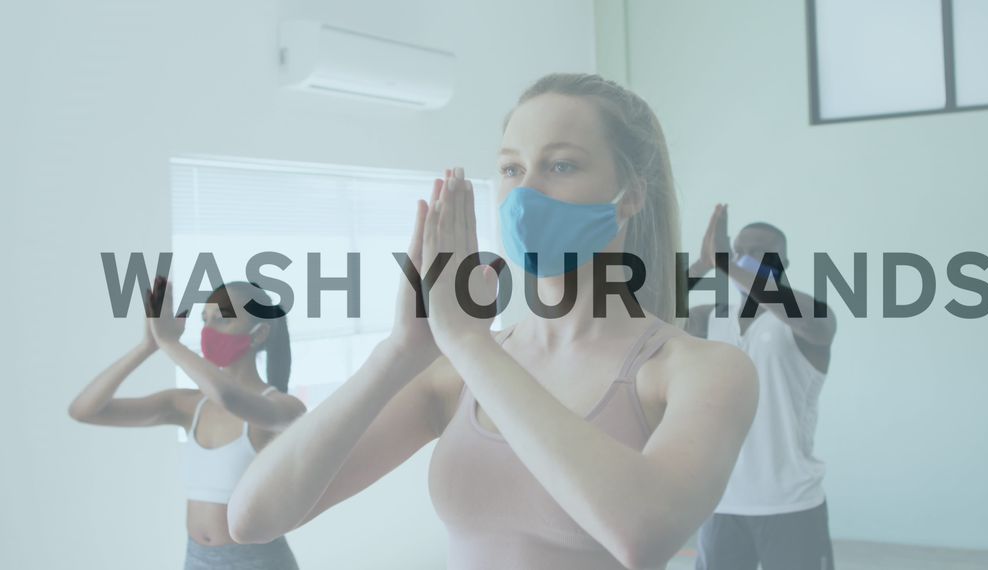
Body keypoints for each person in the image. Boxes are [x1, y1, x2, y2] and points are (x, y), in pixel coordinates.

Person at [227, 72, 759, 570]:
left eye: (561, 166)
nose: (526, 194)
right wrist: (399, 352)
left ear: (632, 194)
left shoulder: (701, 370)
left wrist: (469, 343)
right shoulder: (456, 374)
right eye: (511, 169)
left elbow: (644, 533)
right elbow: (253, 518)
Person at [69, 277, 306, 569]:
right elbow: (84, 410)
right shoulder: (188, 405)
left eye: (223, 319)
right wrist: (148, 346)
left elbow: (229, 398)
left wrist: (170, 342)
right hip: (196, 559)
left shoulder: (283, 408)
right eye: (205, 319)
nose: (209, 329)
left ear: (260, 333)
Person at [686, 204, 838, 570]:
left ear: (783, 263)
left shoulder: (810, 315)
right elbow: (645, 309)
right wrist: (705, 263)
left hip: (792, 503)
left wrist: (727, 263)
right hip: (721, 503)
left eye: (759, 252)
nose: (745, 258)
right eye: (739, 250)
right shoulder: (709, 318)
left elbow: (808, 320)